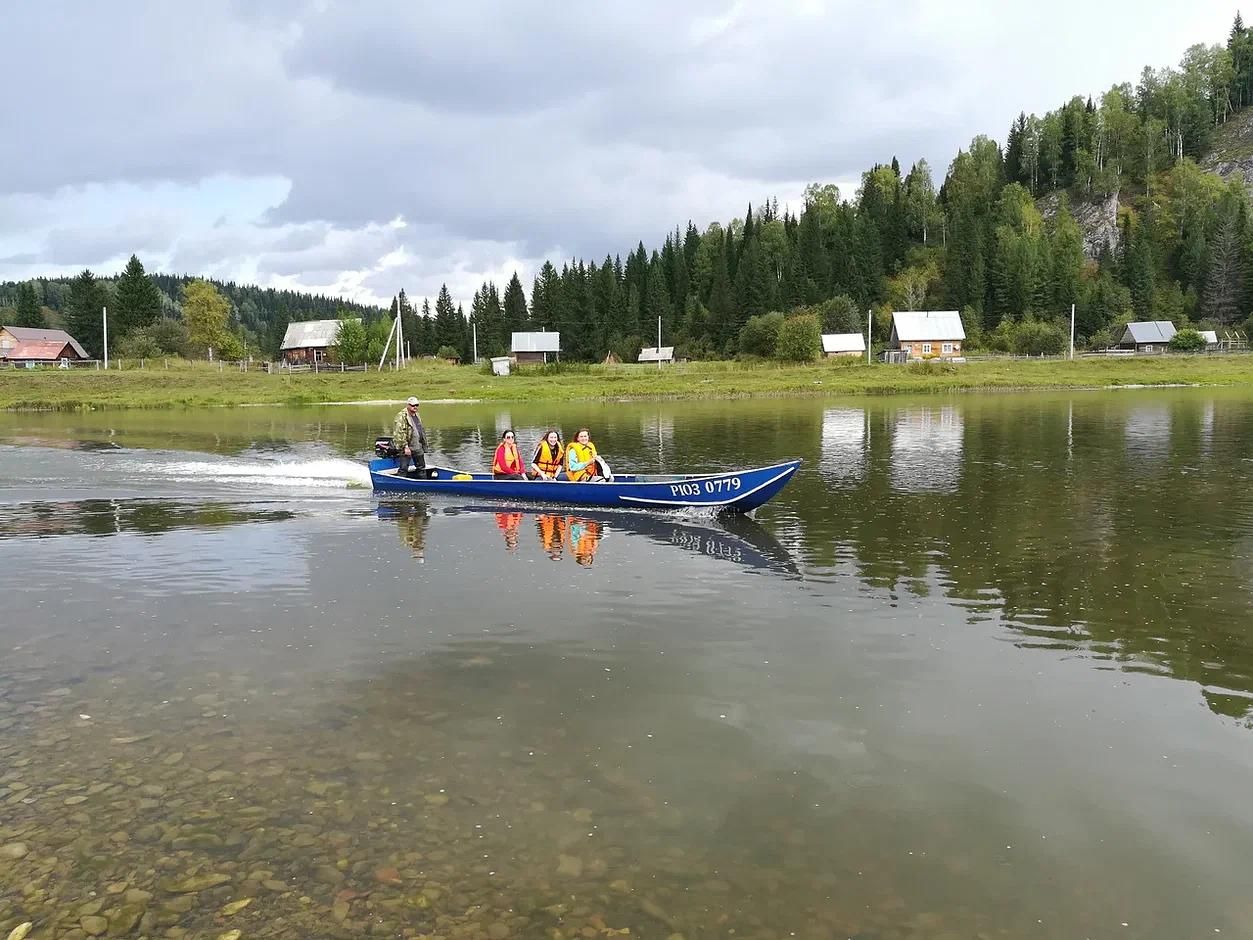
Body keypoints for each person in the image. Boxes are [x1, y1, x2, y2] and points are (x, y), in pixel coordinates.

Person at [392, 397, 429, 477]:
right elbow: (399, 433)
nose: (415, 407)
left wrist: (423, 445)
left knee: (421, 468)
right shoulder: (401, 416)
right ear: (408, 405)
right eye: (413, 405)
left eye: (417, 405)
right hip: (407, 447)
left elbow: (421, 430)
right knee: (404, 469)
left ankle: (423, 484)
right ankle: (400, 485)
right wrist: (405, 447)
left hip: (418, 446)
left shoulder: (417, 415)